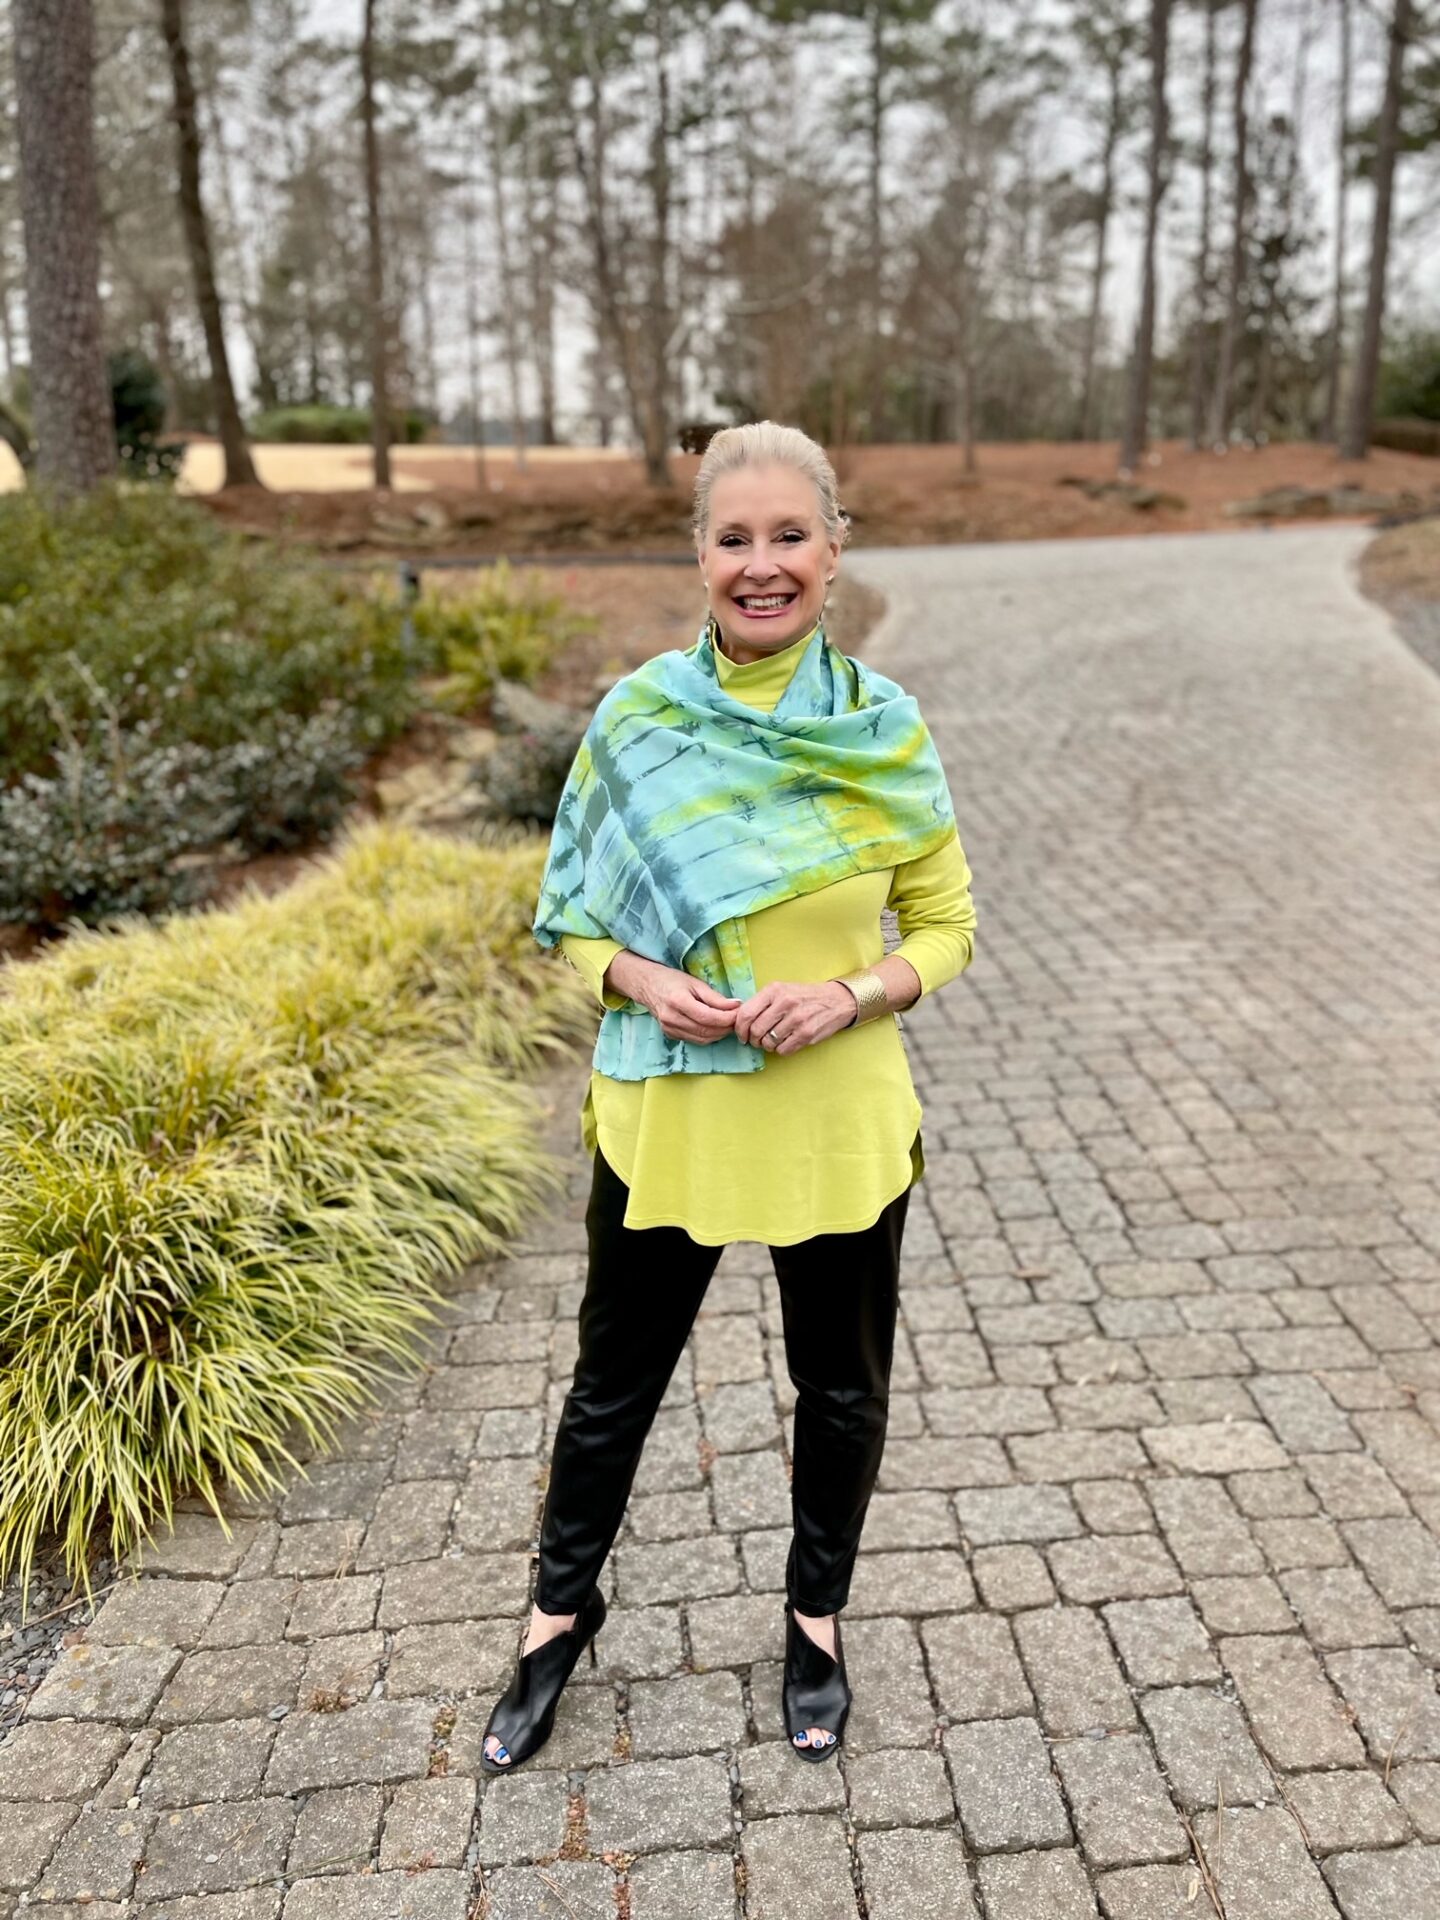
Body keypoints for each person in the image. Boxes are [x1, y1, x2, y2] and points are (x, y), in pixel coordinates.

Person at [479, 421, 976, 1773]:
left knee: (840, 1391)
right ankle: (554, 1619)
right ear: (698, 554)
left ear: (833, 549)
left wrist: (857, 991)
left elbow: (945, 925)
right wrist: (639, 975)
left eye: (789, 536)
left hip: (836, 1119)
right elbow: (570, 917)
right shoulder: (640, 721)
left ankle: (815, 1623)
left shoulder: (883, 731)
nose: (762, 566)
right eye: (732, 538)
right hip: (671, 1120)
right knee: (610, 1393)